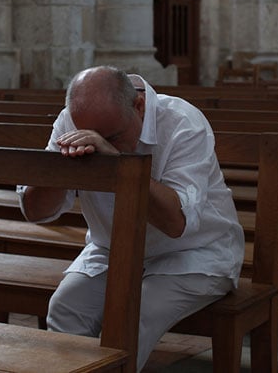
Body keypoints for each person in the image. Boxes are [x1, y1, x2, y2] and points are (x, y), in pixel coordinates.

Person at [17, 66, 244, 370]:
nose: (98, 143)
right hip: (113, 249)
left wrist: (116, 161)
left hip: (195, 253)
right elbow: (35, 212)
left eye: (112, 135)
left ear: (139, 106)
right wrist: (61, 168)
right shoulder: (71, 121)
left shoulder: (181, 122)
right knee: (65, 309)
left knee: (132, 316)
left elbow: (177, 222)